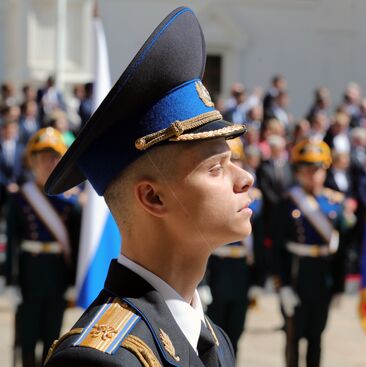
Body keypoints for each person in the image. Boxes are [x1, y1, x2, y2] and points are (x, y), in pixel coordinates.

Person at [43, 7, 252, 367]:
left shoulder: (214, 340)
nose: (244, 178)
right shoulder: (98, 362)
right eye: (216, 168)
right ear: (153, 197)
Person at [5, 127, 81, 367]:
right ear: (32, 160)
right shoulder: (19, 199)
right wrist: (10, 282)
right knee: (27, 342)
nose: (48, 163)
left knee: (52, 341)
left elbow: (77, 246)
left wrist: (73, 283)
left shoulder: (71, 203)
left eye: (54, 157)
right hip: (29, 276)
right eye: (42, 157)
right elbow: (12, 244)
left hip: (57, 276)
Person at [274, 139, 352, 367]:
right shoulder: (287, 203)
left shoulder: (334, 203)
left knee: (317, 338)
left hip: (322, 278)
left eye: (317, 169)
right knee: (293, 338)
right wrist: (283, 285)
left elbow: (342, 251)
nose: (312, 175)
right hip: (297, 275)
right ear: (298, 171)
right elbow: (278, 248)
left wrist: (339, 287)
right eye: (306, 170)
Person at [205, 138, 264, 356]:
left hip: (241, 271)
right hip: (216, 270)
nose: (234, 165)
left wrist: (259, 280)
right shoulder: (211, 196)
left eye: (237, 159)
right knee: (212, 340)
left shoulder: (254, 198)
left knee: (235, 335)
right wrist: (202, 282)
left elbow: (260, 242)